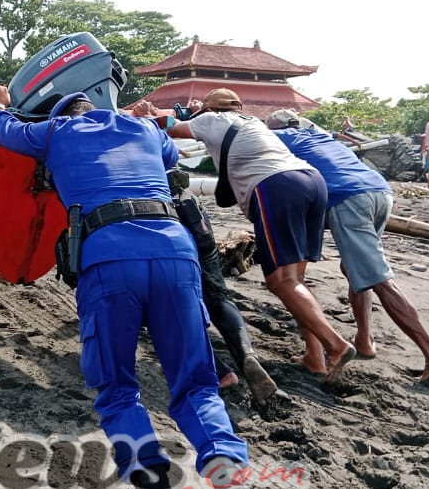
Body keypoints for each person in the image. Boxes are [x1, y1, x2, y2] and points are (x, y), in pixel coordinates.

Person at [0, 85, 280, 489]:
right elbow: (166, 153)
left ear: (62, 115)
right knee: (197, 387)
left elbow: (2, 130)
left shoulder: (54, 130)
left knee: (118, 390)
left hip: (108, 258)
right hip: (176, 253)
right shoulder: (144, 128)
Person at [141, 89, 357, 381]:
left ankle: (336, 345)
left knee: (281, 281)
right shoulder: (253, 122)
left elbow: (165, 126)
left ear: (208, 110)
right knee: (295, 280)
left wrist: (147, 114)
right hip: (311, 181)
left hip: (275, 186)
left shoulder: (211, 120)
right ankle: (315, 358)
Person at [266, 110, 429, 383]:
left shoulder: (280, 136)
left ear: (277, 127)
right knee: (356, 270)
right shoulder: (321, 137)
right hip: (380, 192)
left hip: (348, 197)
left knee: (379, 278)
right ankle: (364, 340)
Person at [166, 170, 286, 411]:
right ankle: (246, 355)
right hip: (189, 208)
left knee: (165, 303)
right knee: (217, 294)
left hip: (155, 222)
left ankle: (220, 371)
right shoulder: (150, 133)